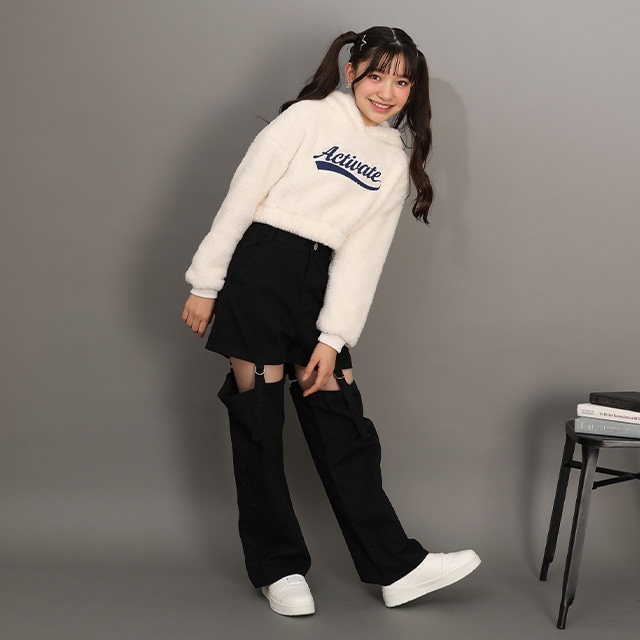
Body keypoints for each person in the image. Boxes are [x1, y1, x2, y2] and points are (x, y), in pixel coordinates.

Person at [182, 26, 480, 616]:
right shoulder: (307, 119)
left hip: (322, 286)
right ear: (351, 72)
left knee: (343, 424)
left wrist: (334, 335)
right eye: (377, 75)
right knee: (261, 422)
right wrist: (205, 283)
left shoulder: (394, 158)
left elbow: (363, 256)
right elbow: (241, 197)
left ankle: (396, 566)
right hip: (262, 269)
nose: (387, 91)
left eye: (402, 82)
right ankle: (279, 567)